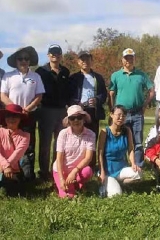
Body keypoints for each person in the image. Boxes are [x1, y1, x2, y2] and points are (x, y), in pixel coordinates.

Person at [0, 46, 45, 180]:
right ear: (16, 61)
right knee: (7, 144)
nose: (23, 61)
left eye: (26, 58)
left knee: (28, 146)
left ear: (30, 61)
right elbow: (2, 95)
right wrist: (15, 108)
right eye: (20, 58)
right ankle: (7, 172)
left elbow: (39, 96)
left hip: (29, 115)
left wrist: (28, 108)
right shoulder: (8, 76)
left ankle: (27, 175)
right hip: (11, 115)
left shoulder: (36, 76)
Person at [109, 48, 154, 167]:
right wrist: (113, 109)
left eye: (131, 58)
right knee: (121, 139)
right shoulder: (116, 75)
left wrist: (145, 105)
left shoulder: (141, 75)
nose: (129, 60)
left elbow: (151, 91)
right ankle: (122, 164)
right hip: (121, 114)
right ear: (122, 60)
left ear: (134, 59)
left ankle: (138, 166)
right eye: (126, 58)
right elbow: (111, 93)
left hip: (137, 113)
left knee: (137, 141)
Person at [35, 44, 70, 180]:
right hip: (46, 110)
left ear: (61, 55)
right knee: (45, 143)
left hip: (62, 111)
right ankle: (44, 172)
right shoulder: (40, 71)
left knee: (60, 143)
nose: (55, 55)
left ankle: (56, 170)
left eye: (58, 52)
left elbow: (68, 91)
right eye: (52, 52)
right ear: (48, 55)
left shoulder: (65, 72)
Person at [69, 50, 107, 169]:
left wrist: (97, 99)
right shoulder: (74, 78)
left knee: (92, 138)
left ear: (91, 60)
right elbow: (68, 95)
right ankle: (78, 164)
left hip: (93, 112)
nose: (85, 62)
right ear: (79, 62)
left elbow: (103, 94)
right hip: (78, 113)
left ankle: (91, 165)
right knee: (78, 138)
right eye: (82, 60)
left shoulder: (98, 77)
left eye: (87, 59)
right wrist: (77, 103)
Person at [98, 105, 142, 198]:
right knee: (116, 195)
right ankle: (109, 183)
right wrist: (102, 171)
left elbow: (130, 149)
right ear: (111, 115)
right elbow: (100, 154)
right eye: (119, 115)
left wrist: (133, 163)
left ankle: (120, 183)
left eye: (123, 115)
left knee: (139, 173)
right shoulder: (104, 132)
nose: (121, 118)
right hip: (108, 170)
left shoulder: (127, 131)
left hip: (121, 168)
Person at [52, 105, 95, 198]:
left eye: (79, 117)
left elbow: (88, 158)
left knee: (88, 171)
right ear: (69, 121)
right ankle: (64, 184)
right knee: (68, 196)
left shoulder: (91, 134)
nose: (76, 120)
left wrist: (74, 171)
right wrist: (61, 178)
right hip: (62, 170)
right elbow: (59, 158)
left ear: (84, 119)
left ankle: (76, 183)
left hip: (77, 169)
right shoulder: (63, 133)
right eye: (72, 118)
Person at [0, 104, 29, 195]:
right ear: (5, 118)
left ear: (20, 119)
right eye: (8, 116)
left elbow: (17, 154)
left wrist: (7, 168)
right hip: (4, 167)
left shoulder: (25, 136)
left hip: (13, 169)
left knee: (13, 191)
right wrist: (5, 166)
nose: (11, 119)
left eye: (15, 116)